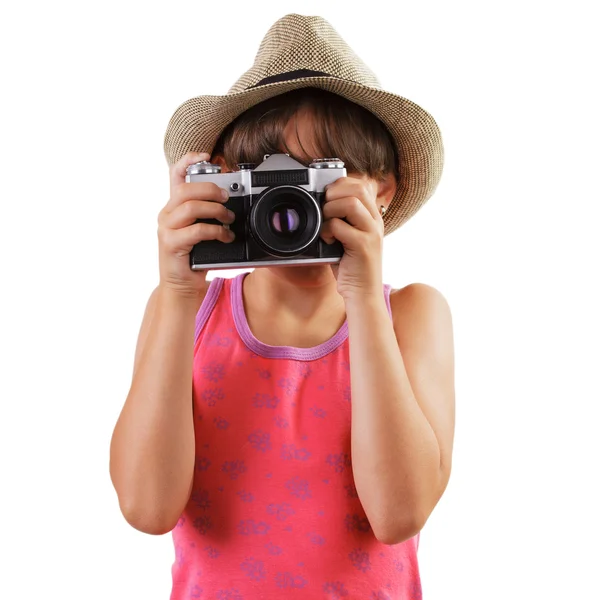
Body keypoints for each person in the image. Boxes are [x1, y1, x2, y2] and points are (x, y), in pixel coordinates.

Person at [109, 13, 455, 600]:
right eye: (267, 180)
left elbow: (399, 515)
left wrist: (365, 298)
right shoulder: (184, 312)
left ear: (382, 190)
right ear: (227, 188)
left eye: (316, 180)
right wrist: (176, 294)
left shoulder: (411, 316)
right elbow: (146, 507)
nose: (288, 210)